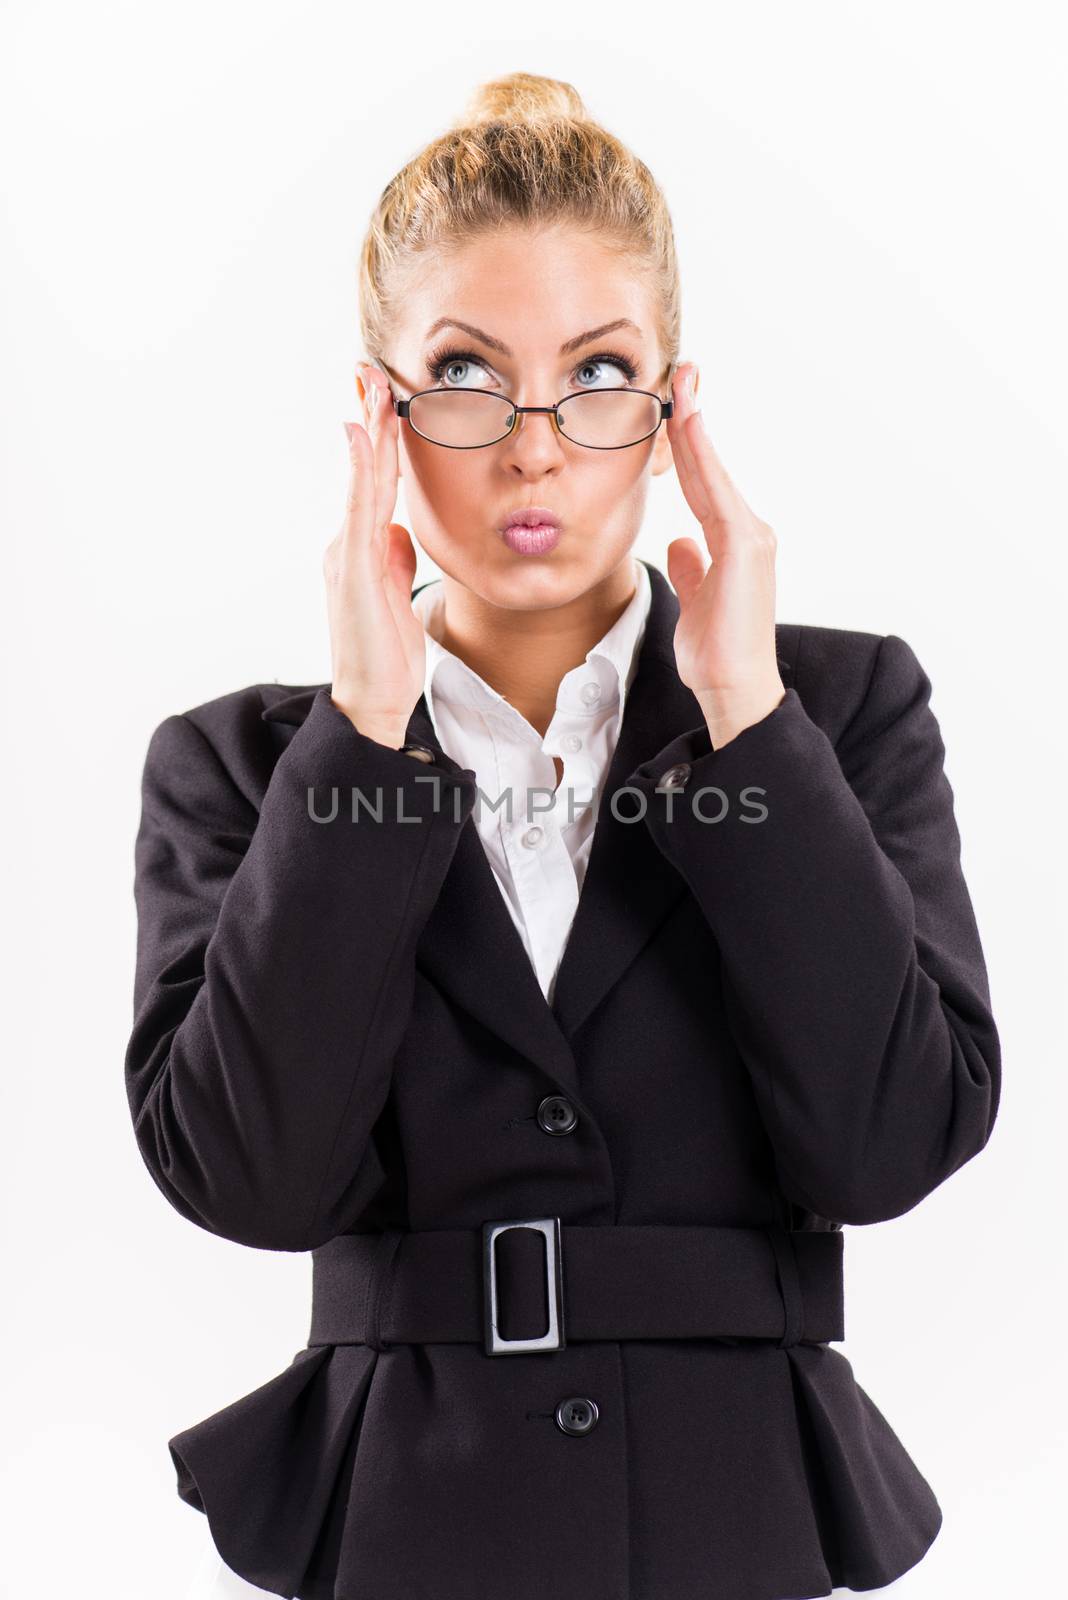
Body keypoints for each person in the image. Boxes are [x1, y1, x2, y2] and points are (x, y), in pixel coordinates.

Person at [126, 71, 1001, 1600]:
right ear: (379, 413)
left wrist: (749, 720)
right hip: (406, 1520)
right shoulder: (251, 767)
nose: (536, 445)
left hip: (742, 1519)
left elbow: (887, 1147)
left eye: (598, 373)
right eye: (465, 371)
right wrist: (364, 741)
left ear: (672, 412)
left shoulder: (836, 714)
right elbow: (250, 1181)